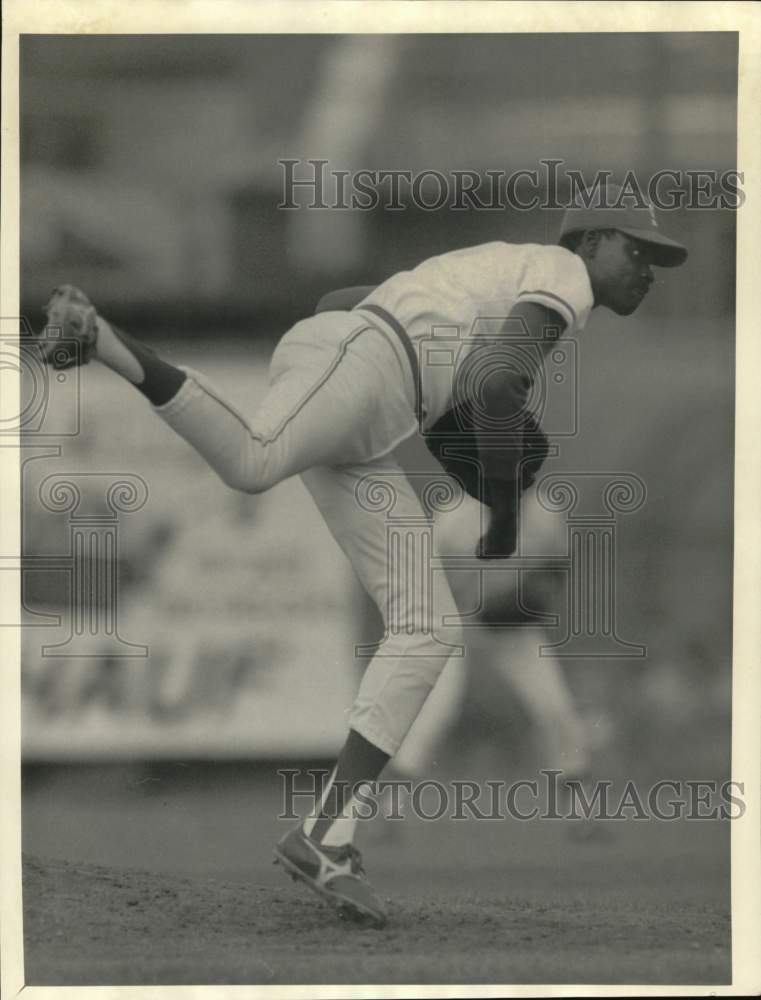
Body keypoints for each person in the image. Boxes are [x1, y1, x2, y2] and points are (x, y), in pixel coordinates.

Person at [38, 184, 687, 928]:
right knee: (253, 462)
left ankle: (326, 836)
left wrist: (435, 395)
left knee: (427, 629)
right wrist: (503, 513)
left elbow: (350, 298)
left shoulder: (496, 273)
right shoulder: (561, 277)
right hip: (368, 363)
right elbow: (500, 380)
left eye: (655, 258)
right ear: (590, 241)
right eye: (635, 249)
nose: (646, 267)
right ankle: (105, 340)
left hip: (376, 401)